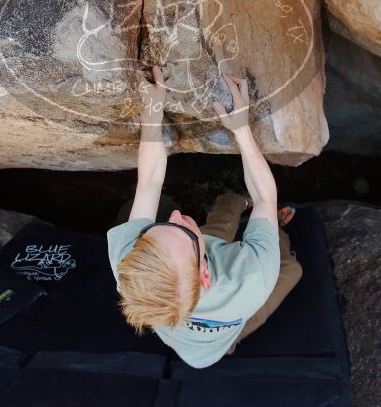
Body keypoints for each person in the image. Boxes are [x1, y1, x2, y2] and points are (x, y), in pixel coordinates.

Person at [107, 65, 303, 368]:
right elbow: (267, 197)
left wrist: (154, 106)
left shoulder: (132, 267)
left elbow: (149, 181)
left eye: (159, 226)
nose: (176, 214)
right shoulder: (252, 279)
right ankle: (270, 225)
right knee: (291, 269)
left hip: (185, 340)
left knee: (220, 222)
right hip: (227, 333)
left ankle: (237, 203)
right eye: (183, 229)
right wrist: (241, 128)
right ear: (206, 275)